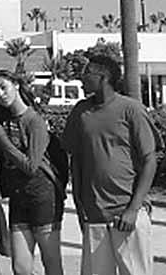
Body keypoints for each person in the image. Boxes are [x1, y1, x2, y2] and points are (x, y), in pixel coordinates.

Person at [63, 52, 157, 275]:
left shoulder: (131, 110)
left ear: (104, 78)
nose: (82, 77)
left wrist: (133, 209)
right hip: (94, 216)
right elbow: (76, 160)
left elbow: (149, 160)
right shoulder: (80, 112)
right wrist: (80, 206)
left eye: (87, 72)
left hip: (127, 214)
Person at [0, 70, 64, 275]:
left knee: (51, 261)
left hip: (43, 196)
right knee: (20, 267)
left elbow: (31, 166)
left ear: (16, 85)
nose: (1, 94)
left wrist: (2, 137)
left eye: (4, 87)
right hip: (18, 198)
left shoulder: (34, 120)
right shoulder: (1, 119)